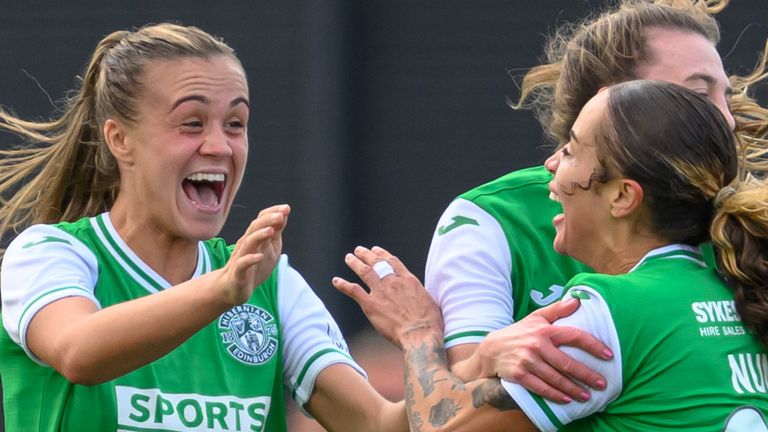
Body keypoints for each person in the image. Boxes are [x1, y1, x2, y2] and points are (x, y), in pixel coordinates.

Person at [0, 23, 407, 431]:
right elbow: (78, 351)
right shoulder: (50, 253)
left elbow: (374, 424)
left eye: (235, 123)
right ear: (120, 139)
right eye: (191, 123)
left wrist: (447, 362)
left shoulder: (271, 285)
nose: (219, 145)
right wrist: (223, 289)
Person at [335, 79, 768, 431]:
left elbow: (440, 426)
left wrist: (417, 334)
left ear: (622, 196)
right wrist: (484, 358)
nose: (552, 166)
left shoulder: (609, 315)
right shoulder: (741, 295)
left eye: (573, 151)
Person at [423, 0, 768, 403]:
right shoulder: (489, 220)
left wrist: (415, 335)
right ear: (614, 101)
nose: (727, 119)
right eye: (696, 93)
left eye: (724, 97)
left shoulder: (738, 228)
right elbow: (464, 398)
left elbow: (442, 413)